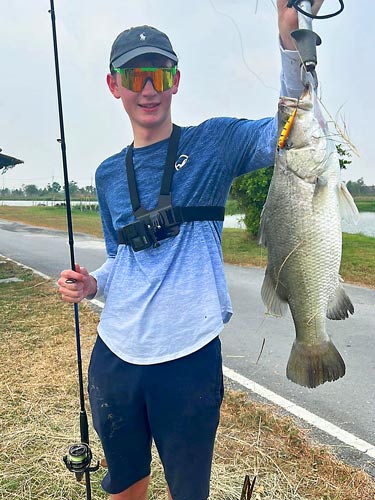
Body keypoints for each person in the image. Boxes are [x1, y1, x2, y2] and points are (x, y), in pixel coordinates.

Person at [58, 1, 324, 499]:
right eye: (134, 77)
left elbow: (290, 129)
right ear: (113, 84)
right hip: (114, 358)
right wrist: (94, 283)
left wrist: (289, 32)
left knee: (188, 491)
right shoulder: (108, 174)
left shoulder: (214, 144)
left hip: (188, 360)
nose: (148, 89)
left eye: (159, 74)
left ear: (176, 79)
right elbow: (120, 260)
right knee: (124, 481)